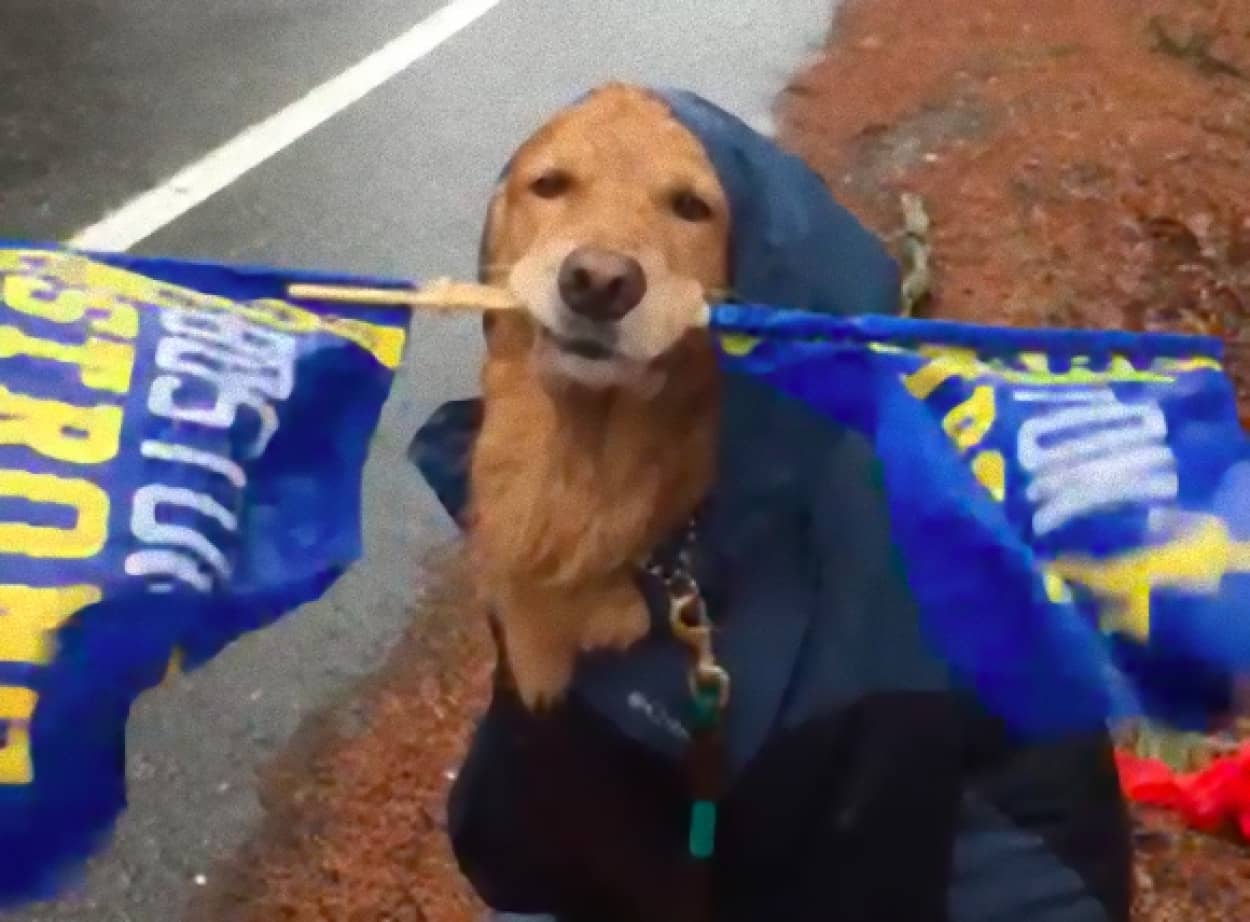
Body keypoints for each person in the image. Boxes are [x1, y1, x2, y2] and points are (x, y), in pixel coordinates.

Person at [410, 89, 1133, 922]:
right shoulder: (536, 485)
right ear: (499, 238)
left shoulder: (854, 558)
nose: (601, 256)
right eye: (551, 186)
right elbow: (558, 810)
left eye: (687, 208)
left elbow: (899, 861)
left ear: (748, 275)